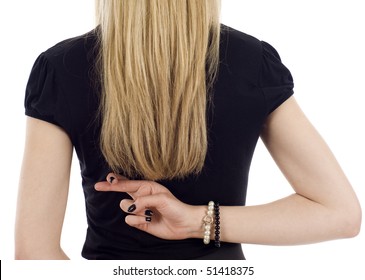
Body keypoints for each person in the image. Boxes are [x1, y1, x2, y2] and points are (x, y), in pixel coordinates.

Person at [15, 0, 361, 260]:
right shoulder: (251, 62)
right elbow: (338, 213)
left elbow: (34, 253)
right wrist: (199, 221)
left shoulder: (61, 68)